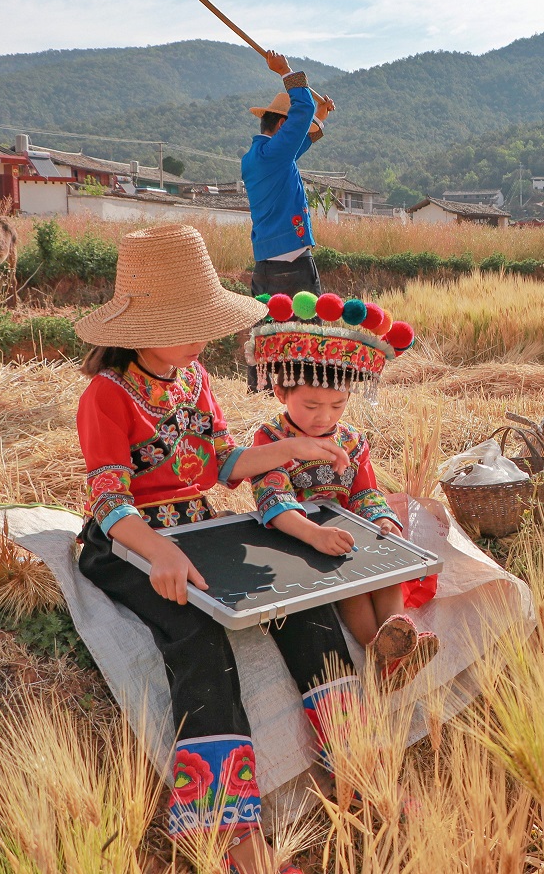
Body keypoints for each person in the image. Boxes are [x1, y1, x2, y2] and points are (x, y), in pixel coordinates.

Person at [73, 224, 359, 874]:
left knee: (304, 606)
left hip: (198, 525)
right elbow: (110, 503)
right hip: (128, 542)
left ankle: (360, 773)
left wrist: (291, 448)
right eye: (189, 322)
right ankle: (234, 844)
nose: (203, 336)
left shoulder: (194, 376)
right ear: (142, 327)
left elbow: (223, 462)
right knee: (198, 637)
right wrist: (161, 556)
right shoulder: (106, 396)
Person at [246, 291, 439, 691]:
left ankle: (395, 642)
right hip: (297, 536)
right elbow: (274, 499)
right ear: (282, 393)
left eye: (337, 405)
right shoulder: (270, 439)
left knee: (386, 567)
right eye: (312, 405)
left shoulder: (352, 441)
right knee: (350, 581)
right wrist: (314, 534)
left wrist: (383, 521)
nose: (325, 417)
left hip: (347, 529)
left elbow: (365, 493)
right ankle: (379, 652)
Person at [241, 48, 337, 393]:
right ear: (282, 125)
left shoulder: (258, 157)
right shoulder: (274, 153)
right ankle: (308, 395)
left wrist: (322, 116)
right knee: (307, 335)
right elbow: (303, 109)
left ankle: (262, 393)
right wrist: (286, 72)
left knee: (266, 335)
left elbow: (301, 142)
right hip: (292, 264)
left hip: (265, 266)